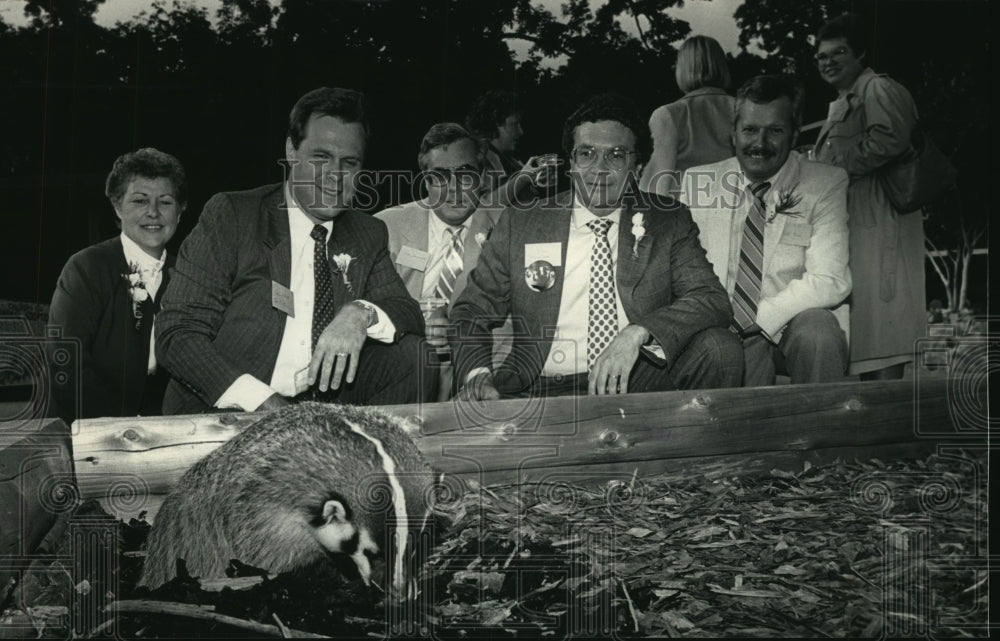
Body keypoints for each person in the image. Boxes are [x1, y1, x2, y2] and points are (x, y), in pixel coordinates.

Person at [450, 93, 743, 401]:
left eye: (616, 155)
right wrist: (477, 375)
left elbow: (710, 299)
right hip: (539, 386)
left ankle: (684, 434)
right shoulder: (523, 222)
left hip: (635, 381)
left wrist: (639, 332)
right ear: (571, 163)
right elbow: (471, 310)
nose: (599, 168)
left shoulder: (667, 220)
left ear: (637, 166)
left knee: (719, 348)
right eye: (586, 154)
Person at [156, 87, 424, 414]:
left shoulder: (366, 232)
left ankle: (368, 443)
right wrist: (261, 402)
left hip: (323, 411)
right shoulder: (233, 216)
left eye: (350, 162)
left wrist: (359, 313)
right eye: (321, 157)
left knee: (414, 356)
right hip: (234, 409)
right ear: (291, 151)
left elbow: (406, 311)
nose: (335, 176)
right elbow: (177, 333)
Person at [681, 75, 852, 386]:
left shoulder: (825, 183)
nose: (760, 144)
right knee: (732, 352)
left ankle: (819, 418)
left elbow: (831, 280)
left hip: (789, 323)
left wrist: (758, 321)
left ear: (794, 134)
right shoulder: (699, 183)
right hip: (719, 326)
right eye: (750, 130)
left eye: (775, 131)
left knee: (820, 334)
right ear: (733, 133)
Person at [813, 14, 925, 380]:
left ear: (860, 53)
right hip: (860, 225)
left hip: (880, 222)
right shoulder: (846, 98)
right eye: (821, 56)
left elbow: (890, 139)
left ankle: (887, 416)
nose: (828, 61)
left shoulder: (877, 88)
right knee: (867, 336)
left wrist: (831, 170)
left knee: (882, 333)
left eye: (839, 52)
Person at [48, 148, 186, 422]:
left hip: (165, 425)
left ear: (180, 211)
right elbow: (65, 364)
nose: (153, 212)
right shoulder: (86, 268)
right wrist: (124, 426)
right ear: (117, 206)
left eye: (166, 202)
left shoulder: (188, 273)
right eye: (139, 201)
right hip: (87, 424)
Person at [374, 122, 509, 400]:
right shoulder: (386, 227)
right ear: (425, 181)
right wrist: (415, 326)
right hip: (405, 361)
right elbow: (371, 306)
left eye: (465, 175)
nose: (454, 188)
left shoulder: (508, 226)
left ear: (483, 177)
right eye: (440, 177)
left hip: (483, 364)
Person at [640, 36, 736, 197]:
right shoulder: (744, 110)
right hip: (738, 205)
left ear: (682, 69)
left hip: (686, 208)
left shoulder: (667, 115)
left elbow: (654, 187)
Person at [465, 90, 558, 208]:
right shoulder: (480, 159)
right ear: (496, 124)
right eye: (515, 124)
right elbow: (484, 206)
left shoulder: (507, 158)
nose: (521, 131)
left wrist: (536, 181)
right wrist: (522, 179)